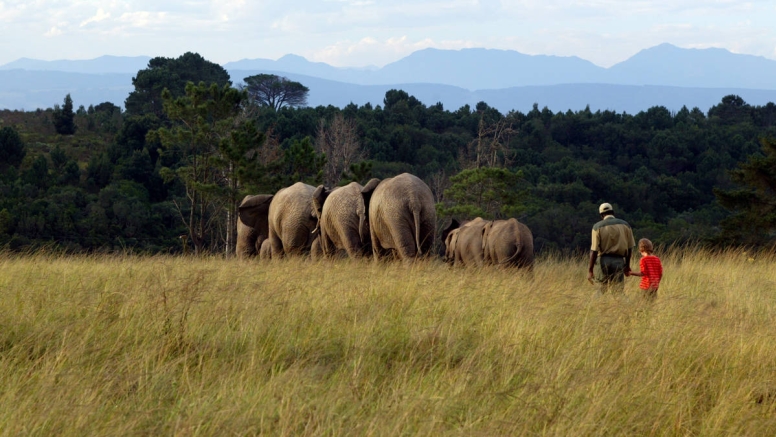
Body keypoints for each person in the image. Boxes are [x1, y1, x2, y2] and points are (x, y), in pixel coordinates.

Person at [587, 203, 635, 294]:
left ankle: (597, 307)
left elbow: (594, 250)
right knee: (618, 292)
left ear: (601, 215)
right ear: (613, 212)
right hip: (619, 261)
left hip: (603, 261)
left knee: (601, 290)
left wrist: (590, 270)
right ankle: (623, 307)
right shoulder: (626, 225)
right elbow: (630, 248)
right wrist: (627, 266)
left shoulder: (597, 227)